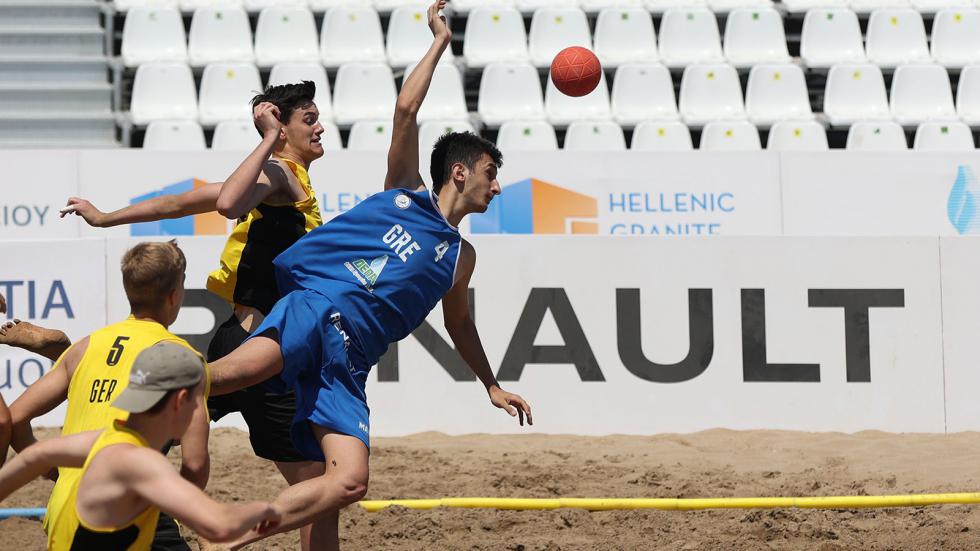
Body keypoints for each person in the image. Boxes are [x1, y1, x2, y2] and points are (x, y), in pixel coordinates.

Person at [207, 3, 533, 548]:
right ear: (459, 172)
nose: (496, 187)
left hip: (351, 363)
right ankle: (126, 391)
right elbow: (406, 109)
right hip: (315, 312)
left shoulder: (461, 256)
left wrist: (491, 385)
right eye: (490, 174)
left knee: (347, 484)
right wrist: (440, 41)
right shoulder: (403, 192)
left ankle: (232, 532)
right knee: (226, 377)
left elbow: (460, 325)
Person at [59, 82, 328, 548]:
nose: (320, 126)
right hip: (259, 348)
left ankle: (129, 506)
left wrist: (106, 218)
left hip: (238, 336)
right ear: (282, 130)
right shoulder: (277, 175)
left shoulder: (282, 180)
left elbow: (178, 203)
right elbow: (223, 204)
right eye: (309, 119)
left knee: (159, 432)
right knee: (317, 483)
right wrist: (265, 140)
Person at [7, 241, 210, 551]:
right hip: (127, 506)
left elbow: (16, 417)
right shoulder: (182, 358)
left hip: (65, 507)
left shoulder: (86, 346)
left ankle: (54, 348)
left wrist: (55, 472)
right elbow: (195, 466)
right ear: (175, 295)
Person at [0, 341, 282, 550]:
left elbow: (36, 455)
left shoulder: (105, 439)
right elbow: (218, 525)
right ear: (181, 401)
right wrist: (262, 510)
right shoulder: (142, 462)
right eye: (200, 402)